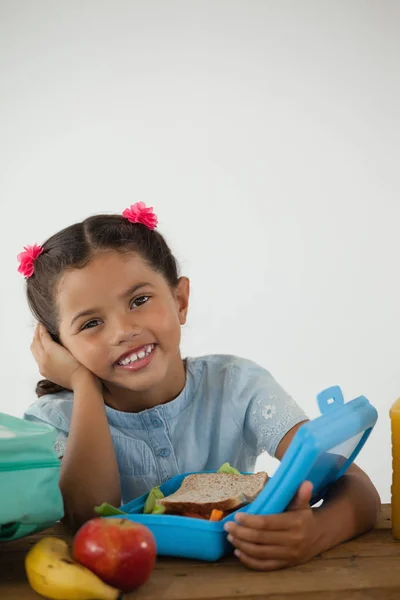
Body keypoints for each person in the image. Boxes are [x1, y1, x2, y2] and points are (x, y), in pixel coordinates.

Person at [20, 202, 380, 571]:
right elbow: (87, 520)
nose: (123, 331)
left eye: (139, 300)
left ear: (180, 301)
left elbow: (358, 487)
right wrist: (83, 384)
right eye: (91, 323)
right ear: (60, 347)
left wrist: (316, 533)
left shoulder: (236, 385)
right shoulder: (52, 421)